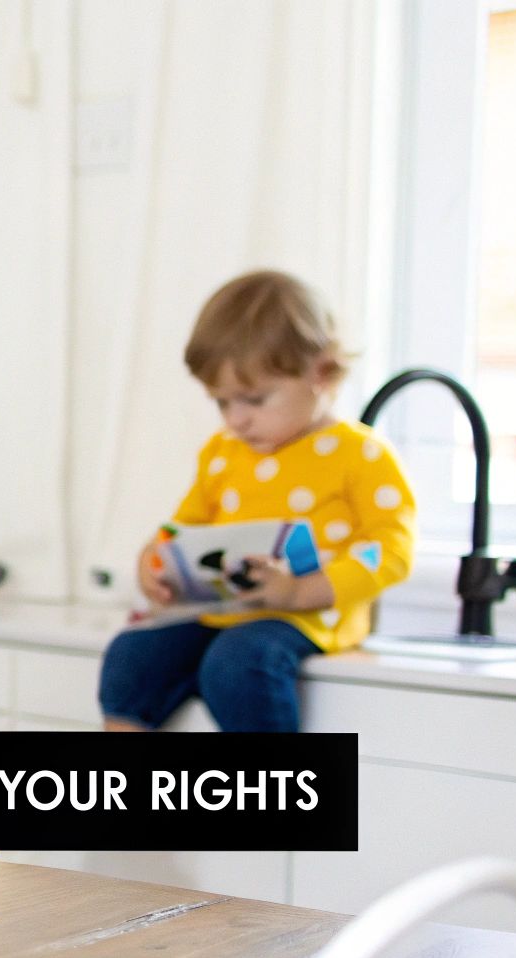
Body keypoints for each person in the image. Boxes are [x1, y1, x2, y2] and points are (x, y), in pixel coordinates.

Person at [98, 270, 416, 733]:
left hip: (310, 617)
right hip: (225, 611)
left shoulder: (361, 455)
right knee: (133, 653)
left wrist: (304, 590)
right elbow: (182, 528)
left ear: (320, 372)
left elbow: (388, 548)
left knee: (240, 661)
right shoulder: (223, 454)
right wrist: (155, 563)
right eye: (222, 403)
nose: (236, 420)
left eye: (253, 399)